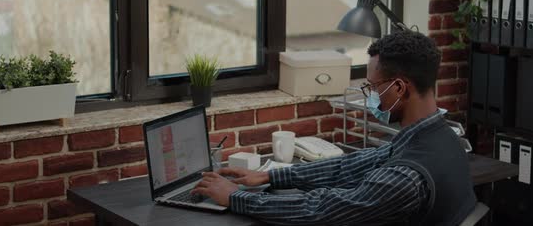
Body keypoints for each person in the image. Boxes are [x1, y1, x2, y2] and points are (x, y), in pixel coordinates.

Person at [192, 31, 476, 225]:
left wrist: (235, 197)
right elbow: (349, 166)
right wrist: (269, 177)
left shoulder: (405, 177)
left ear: (400, 87)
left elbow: (320, 210)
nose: (370, 95)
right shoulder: (441, 137)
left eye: (372, 87)